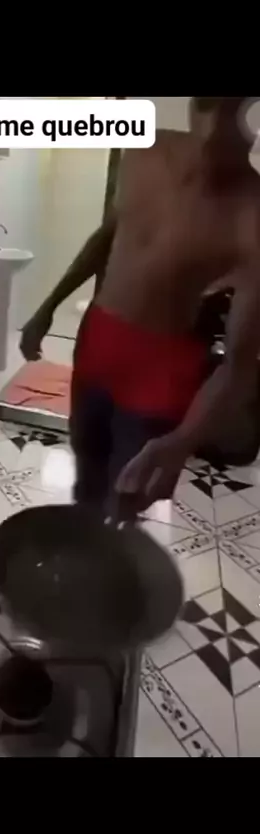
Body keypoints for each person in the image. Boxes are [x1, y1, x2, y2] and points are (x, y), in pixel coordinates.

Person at [20, 97, 260, 519]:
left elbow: (239, 364)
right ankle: (85, 537)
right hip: (97, 341)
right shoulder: (144, 152)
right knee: (87, 474)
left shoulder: (251, 214)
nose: (215, 128)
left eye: (236, 109)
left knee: (125, 494)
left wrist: (182, 441)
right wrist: (47, 307)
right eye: (208, 103)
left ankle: (113, 548)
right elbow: (107, 237)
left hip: (162, 367)